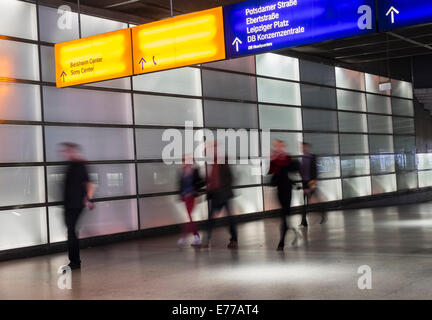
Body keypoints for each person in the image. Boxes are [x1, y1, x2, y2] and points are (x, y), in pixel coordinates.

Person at [60, 142, 95, 270]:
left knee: (71, 231)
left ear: (74, 151)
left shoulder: (80, 165)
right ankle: (74, 261)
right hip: (69, 204)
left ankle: (75, 262)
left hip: (76, 204)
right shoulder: (70, 165)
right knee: (71, 231)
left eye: (68, 150)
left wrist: (89, 199)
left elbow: (89, 183)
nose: (65, 153)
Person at [202, 142, 237, 249]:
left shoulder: (222, 161)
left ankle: (234, 240)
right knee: (212, 219)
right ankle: (206, 240)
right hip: (215, 194)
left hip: (223, 194)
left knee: (229, 219)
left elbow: (230, 177)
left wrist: (223, 188)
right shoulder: (211, 163)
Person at [268, 139, 300, 251]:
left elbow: (294, 169)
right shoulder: (274, 159)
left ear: (283, 147)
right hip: (279, 189)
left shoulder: (288, 159)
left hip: (287, 189)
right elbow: (269, 172)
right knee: (284, 215)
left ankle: (281, 242)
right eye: (276, 146)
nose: (278, 148)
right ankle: (293, 231)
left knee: (284, 215)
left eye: (280, 146)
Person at [177, 154, 205, 247]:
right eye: (185, 160)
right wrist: (181, 195)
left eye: (189, 160)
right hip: (185, 197)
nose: (187, 162)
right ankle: (195, 237)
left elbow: (201, 182)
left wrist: (194, 189)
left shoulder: (195, 171)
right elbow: (180, 184)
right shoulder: (182, 171)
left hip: (192, 196)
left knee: (189, 216)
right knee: (189, 217)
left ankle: (187, 238)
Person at [299, 142, 318, 228]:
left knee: (312, 199)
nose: (302, 148)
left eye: (303, 147)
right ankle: (304, 221)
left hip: (311, 182)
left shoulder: (311, 157)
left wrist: (314, 182)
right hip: (305, 182)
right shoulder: (302, 158)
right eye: (301, 147)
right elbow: (302, 172)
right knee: (306, 201)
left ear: (307, 147)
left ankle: (322, 212)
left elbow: (315, 170)